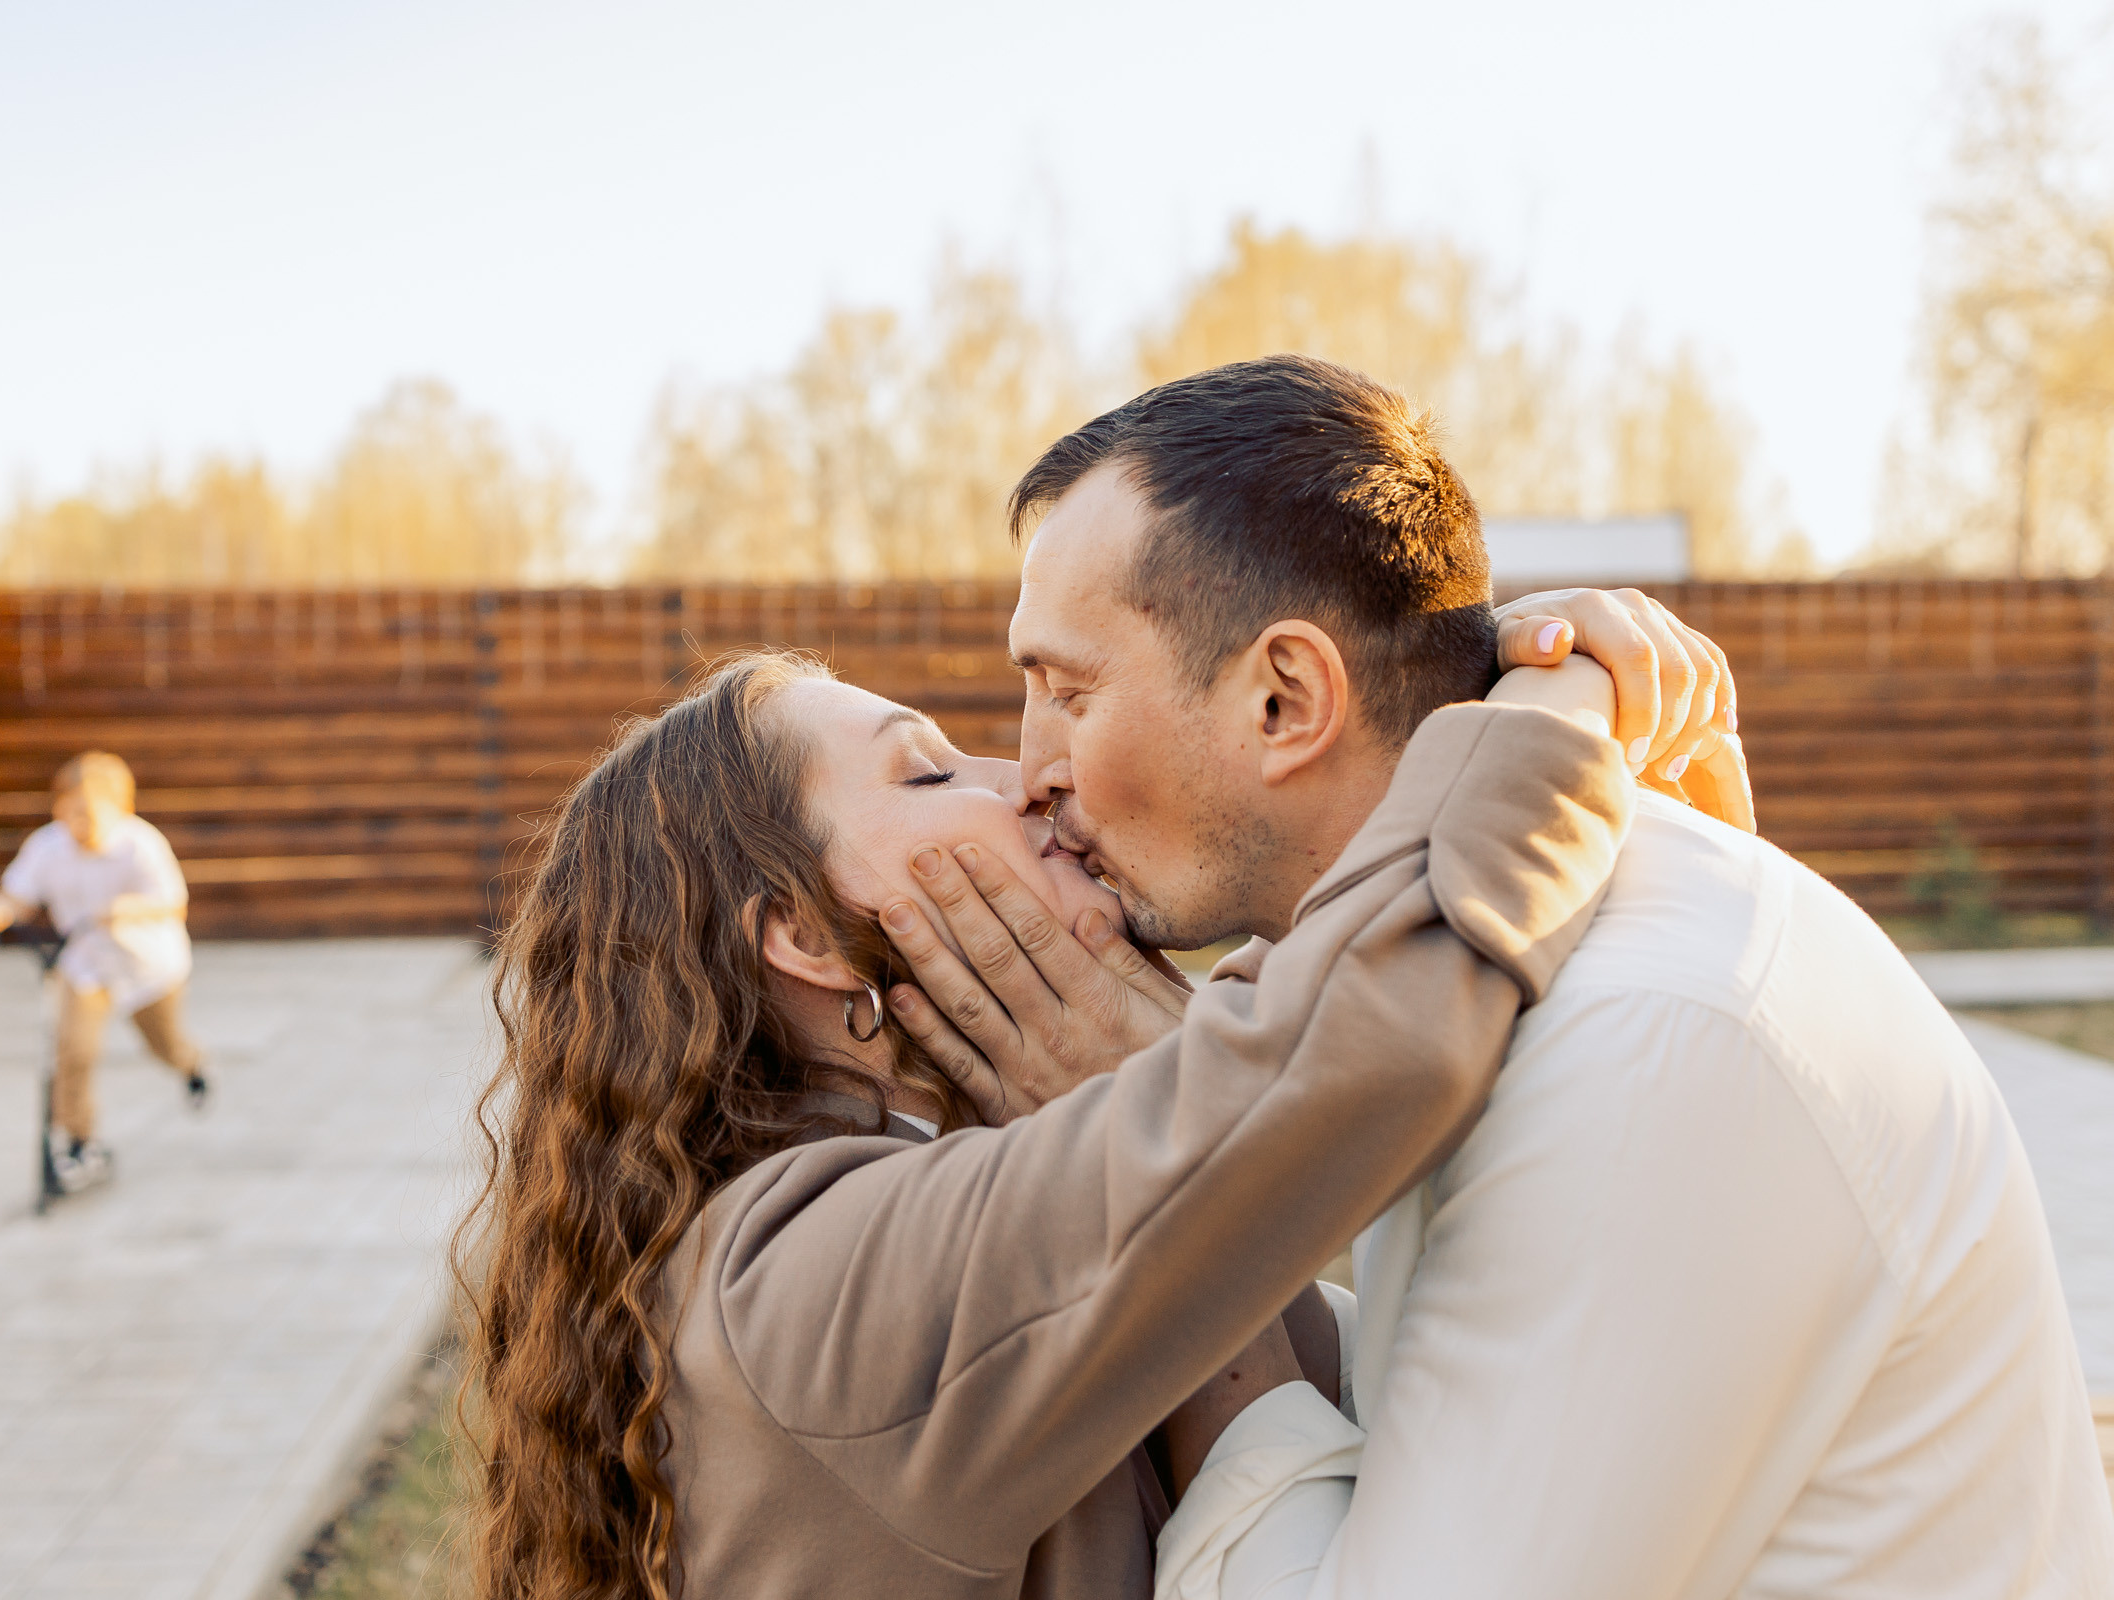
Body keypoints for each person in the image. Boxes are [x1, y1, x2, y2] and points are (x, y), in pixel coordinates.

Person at [876, 354, 2114, 1598]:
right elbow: (1450, 1386)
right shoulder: (1471, 962)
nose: (1026, 766)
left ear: (1283, 698)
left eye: (1066, 691)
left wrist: (1163, 1222)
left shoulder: (1640, 1041)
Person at [457, 530, 1735, 1600]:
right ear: (802, 934)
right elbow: (1361, 1048)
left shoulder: (864, 1211)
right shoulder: (817, 1277)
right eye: (927, 768)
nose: (1019, 782)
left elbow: (1335, 1322)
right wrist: (1543, 710)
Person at [0, 750, 206, 1193]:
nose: (81, 823)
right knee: (74, 1052)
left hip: (145, 964)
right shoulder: (47, 846)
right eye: (72, 812)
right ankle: (78, 1140)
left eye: (92, 813)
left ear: (121, 810)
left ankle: (190, 1065)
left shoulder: (140, 844)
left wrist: (125, 909)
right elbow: (18, 895)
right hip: (85, 963)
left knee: (163, 1045)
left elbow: (172, 902)